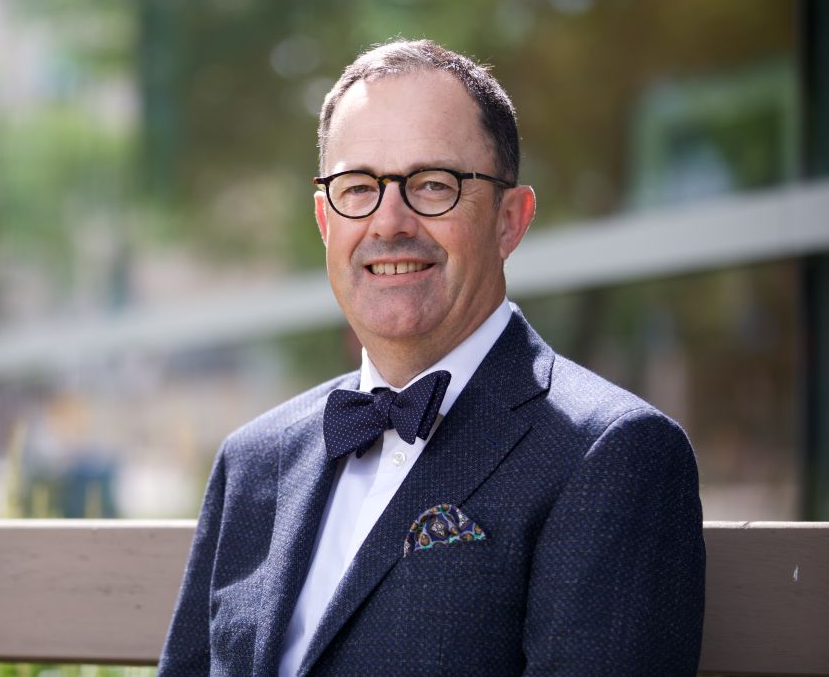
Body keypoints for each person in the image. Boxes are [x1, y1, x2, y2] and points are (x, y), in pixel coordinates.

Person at [157, 39, 705, 677]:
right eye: (357, 188)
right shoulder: (253, 462)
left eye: (433, 185)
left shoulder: (612, 455)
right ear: (324, 221)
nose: (389, 221)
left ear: (510, 220)